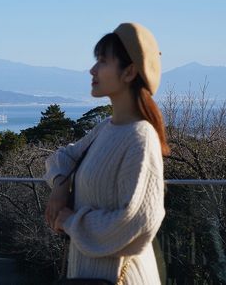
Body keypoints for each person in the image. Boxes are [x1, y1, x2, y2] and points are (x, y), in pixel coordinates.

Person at [44, 23, 169, 284]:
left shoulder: (140, 137)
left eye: (102, 61)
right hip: (92, 275)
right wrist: (59, 185)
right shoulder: (106, 129)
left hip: (122, 277)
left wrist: (70, 221)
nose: (92, 69)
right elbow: (63, 157)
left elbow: (137, 221)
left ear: (129, 72)